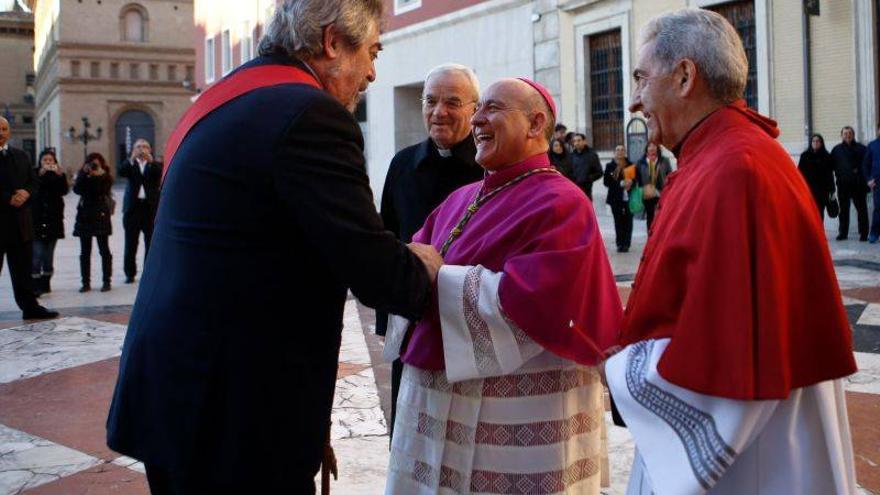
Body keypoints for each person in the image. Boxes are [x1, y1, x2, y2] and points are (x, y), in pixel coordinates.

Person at [106, 1, 437, 493]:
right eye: (371, 52)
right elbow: (379, 275)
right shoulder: (310, 115)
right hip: (234, 420)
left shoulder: (224, 100)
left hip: (177, 399)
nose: (370, 72)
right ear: (331, 43)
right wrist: (422, 264)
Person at [603, 9, 858, 494]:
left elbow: (728, 352)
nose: (634, 101)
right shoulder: (725, 155)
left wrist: (619, 373)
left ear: (684, 76)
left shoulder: (734, 169)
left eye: (640, 78)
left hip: (752, 453)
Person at [383, 78, 622, 494]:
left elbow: (538, 302)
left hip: (511, 418)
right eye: (478, 110)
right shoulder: (461, 198)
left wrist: (441, 277)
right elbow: (412, 260)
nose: (476, 120)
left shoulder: (562, 204)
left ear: (535, 123)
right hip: (437, 398)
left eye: (491, 108)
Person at [377, 63, 484, 440]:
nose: (439, 112)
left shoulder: (490, 168)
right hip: (412, 319)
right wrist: (385, 320)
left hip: (468, 324)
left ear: (475, 109)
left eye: (453, 102)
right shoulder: (402, 164)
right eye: (431, 101)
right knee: (410, 433)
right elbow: (386, 236)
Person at [0, 117, 59, 320]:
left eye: (4, 128)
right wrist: (8, 198)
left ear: (9, 131)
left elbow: (34, 182)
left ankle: (29, 306)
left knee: (22, 270)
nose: (1, 132)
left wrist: (26, 192)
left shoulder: (21, 155)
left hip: (20, 224)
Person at [117, 138, 162, 283]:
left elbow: (159, 174)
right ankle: (130, 273)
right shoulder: (130, 164)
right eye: (139, 146)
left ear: (150, 149)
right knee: (131, 243)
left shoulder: (154, 165)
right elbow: (121, 172)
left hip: (149, 209)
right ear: (133, 149)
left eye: (145, 146)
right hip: (133, 209)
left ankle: (148, 272)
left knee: (150, 242)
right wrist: (131, 158)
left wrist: (152, 161)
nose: (142, 149)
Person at [73, 153, 114, 292]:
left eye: (97, 164)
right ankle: (85, 282)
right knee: (85, 252)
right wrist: (85, 175)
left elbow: (102, 190)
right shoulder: (84, 175)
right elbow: (77, 190)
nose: (94, 166)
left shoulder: (106, 176)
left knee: (104, 250)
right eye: (92, 164)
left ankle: (106, 281)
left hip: (101, 215)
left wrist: (99, 175)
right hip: (85, 216)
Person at [31, 148, 69, 296]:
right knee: (37, 255)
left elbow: (64, 191)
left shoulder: (59, 175)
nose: (47, 163)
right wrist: (39, 176)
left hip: (53, 221)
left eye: (50, 161)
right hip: (37, 220)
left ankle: (46, 283)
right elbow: (33, 192)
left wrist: (60, 176)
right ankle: (35, 285)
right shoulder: (34, 174)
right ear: (40, 162)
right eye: (45, 160)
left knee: (48, 256)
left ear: (55, 162)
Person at [831, 126, 869, 241]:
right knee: (843, 210)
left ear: (853, 135)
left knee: (862, 210)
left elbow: (867, 165)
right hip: (843, 184)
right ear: (841, 135)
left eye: (850, 133)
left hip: (858, 184)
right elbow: (831, 166)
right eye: (845, 133)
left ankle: (864, 233)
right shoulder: (836, 150)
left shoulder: (862, 148)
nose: (847, 135)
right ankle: (843, 233)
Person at [604, 144, 635, 252]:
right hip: (615, 198)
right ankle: (619, 243)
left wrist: (631, 182)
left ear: (625, 152)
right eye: (618, 150)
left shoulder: (631, 165)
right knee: (618, 221)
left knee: (628, 220)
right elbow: (606, 182)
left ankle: (626, 243)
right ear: (614, 153)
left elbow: (636, 179)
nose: (620, 152)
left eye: (622, 150)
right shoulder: (610, 166)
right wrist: (620, 183)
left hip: (629, 197)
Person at [798, 133, 836, 219]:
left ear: (821, 143)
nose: (815, 143)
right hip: (808, 190)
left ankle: (819, 232)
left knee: (819, 213)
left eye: (818, 141)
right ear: (811, 143)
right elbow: (799, 173)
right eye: (813, 141)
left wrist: (832, 190)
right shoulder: (805, 156)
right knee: (808, 214)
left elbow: (830, 175)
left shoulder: (827, 156)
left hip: (822, 192)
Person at [635, 142, 672, 231]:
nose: (652, 148)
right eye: (649, 146)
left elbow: (670, 175)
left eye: (654, 146)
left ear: (657, 148)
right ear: (646, 149)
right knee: (650, 216)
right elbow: (637, 178)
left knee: (662, 217)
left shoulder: (664, 160)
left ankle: (661, 237)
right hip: (648, 194)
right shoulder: (641, 162)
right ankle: (651, 237)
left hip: (661, 193)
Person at [570, 132, 603, 200]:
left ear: (584, 141)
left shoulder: (592, 155)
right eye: (575, 141)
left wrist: (588, 179)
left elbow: (599, 172)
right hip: (574, 189)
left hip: (586, 190)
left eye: (579, 140)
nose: (576, 143)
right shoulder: (571, 156)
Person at [865, 124, 880, 243]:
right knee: (878, 208)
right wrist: (869, 179)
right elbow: (865, 165)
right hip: (877, 182)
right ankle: (874, 233)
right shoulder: (872, 145)